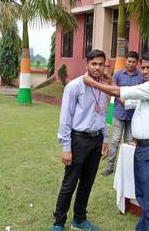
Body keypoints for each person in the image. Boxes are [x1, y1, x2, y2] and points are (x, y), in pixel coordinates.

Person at [83, 52, 149, 231]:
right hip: (142, 148)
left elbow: (122, 92)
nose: (145, 71)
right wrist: (111, 82)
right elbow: (125, 101)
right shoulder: (147, 89)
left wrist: (94, 83)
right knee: (143, 195)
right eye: (143, 67)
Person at [51, 50, 109, 231]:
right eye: (94, 64)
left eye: (101, 64)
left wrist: (105, 138)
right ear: (87, 65)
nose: (98, 67)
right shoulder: (75, 86)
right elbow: (65, 118)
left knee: (87, 183)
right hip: (79, 140)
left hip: (96, 139)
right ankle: (59, 222)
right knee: (69, 184)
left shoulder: (103, 87)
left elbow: (104, 114)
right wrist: (66, 147)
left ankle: (79, 220)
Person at [102, 51, 144, 177]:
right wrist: (121, 103)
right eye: (128, 61)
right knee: (115, 141)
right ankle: (110, 167)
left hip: (133, 115)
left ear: (137, 63)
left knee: (129, 143)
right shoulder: (118, 75)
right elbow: (113, 91)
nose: (130, 64)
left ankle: (126, 169)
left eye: (133, 62)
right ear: (125, 61)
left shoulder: (141, 77)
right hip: (118, 113)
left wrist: (131, 104)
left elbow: (141, 95)